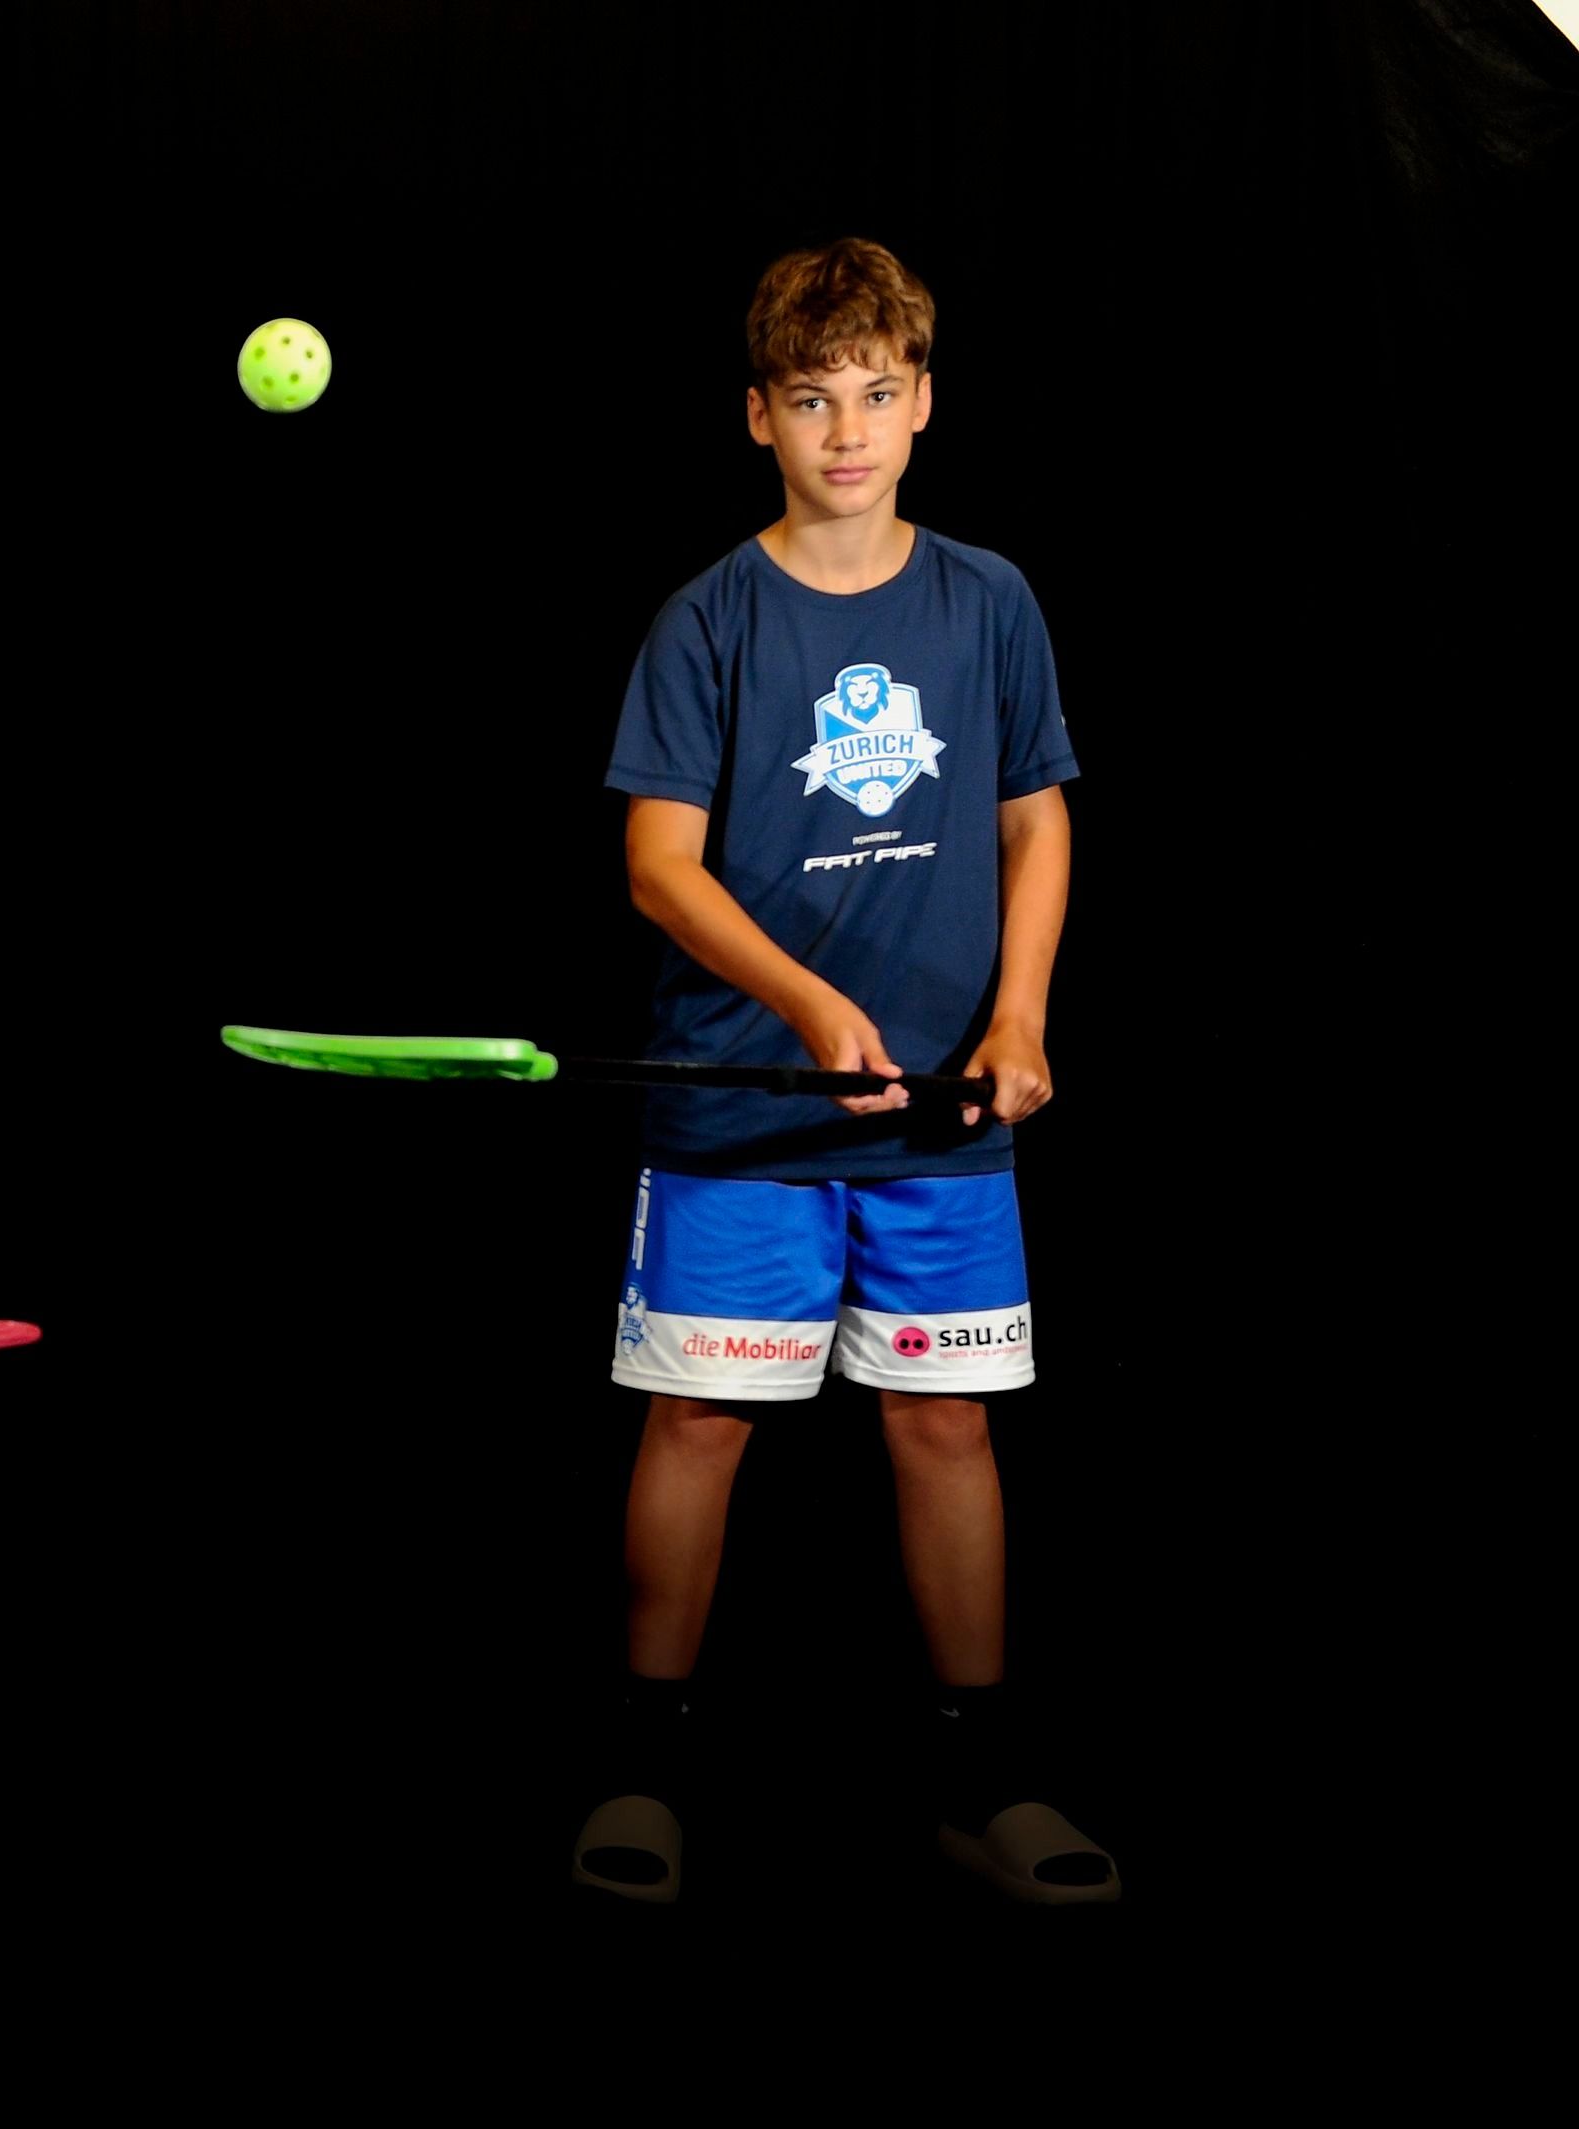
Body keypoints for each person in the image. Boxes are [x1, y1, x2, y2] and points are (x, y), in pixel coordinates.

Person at [572, 239, 1118, 1906]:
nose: (850, 429)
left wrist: (1020, 1017)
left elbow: (1037, 817)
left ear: (926, 400)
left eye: (879, 392)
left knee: (946, 1430)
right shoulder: (707, 619)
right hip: (744, 1110)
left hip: (944, 1119)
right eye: (813, 399)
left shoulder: (989, 598)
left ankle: (980, 1776)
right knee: (697, 1424)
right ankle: (646, 1767)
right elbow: (660, 865)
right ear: (760, 415)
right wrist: (810, 1007)